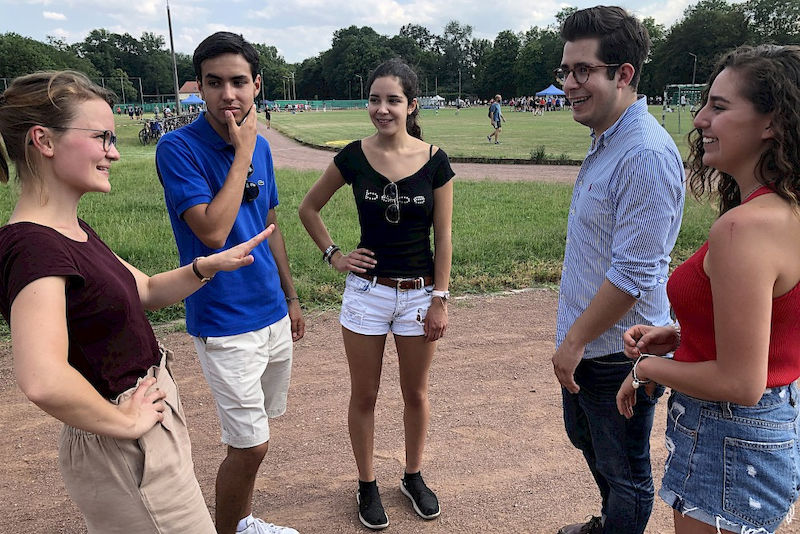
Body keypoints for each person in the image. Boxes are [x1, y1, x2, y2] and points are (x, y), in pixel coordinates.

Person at [0, 70, 275, 534]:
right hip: (126, 444)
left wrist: (206, 267)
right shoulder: (34, 248)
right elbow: (42, 379)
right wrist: (124, 425)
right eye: (101, 137)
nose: (114, 150)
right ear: (43, 140)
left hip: (143, 430)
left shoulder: (70, 230)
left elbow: (144, 291)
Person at [617, 44, 800, 534]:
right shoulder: (785, 209)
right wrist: (682, 335)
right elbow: (776, 326)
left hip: (729, 439)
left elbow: (743, 384)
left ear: (772, 122)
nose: (699, 120)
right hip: (762, 433)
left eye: (719, 107)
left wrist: (648, 368)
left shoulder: (745, 228)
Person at [156, 32, 305, 534]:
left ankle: (241, 521)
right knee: (251, 445)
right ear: (198, 87)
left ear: (257, 85)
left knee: (254, 433)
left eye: (239, 82)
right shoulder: (178, 148)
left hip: (270, 310)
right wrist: (241, 152)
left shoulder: (260, 146)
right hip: (223, 319)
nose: (228, 95)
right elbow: (213, 230)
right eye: (214, 83)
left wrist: (291, 295)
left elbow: (270, 224)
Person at [298, 57, 454, 531]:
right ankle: (366, 483)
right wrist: (334, 255)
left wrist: (440, 298)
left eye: (392, 100)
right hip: (366, 294)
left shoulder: (435, 161)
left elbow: (443, 238)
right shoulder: (352, 156)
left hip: (417, 294)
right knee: (363, 394)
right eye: (375, 99)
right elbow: (308, 208)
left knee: (415, 393)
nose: (382, 109)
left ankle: (412, 475)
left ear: (411, 105)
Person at [550, 6, 685, 534]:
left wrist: (573, 342)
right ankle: (610, 522)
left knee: (625, 472)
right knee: (592, 446)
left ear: (623, 74)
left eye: (583, 70)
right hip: (590, 342)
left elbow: (634, 273)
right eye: (566, 70)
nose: (569, 83)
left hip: (615, 350)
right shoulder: (609, 138)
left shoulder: (645, 153)